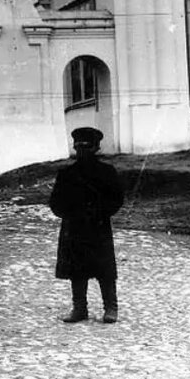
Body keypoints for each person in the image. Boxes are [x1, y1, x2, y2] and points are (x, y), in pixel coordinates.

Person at [49, 126, 124, 324]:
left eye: (87, 147)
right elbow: (55, 202)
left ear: (95, 148)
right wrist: (70, 214)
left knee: (105, 269)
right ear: (75, 148)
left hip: (98, 226)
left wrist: (99, 213)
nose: (83, 151)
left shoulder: (107, 172)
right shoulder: (66, 174)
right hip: (74, 227)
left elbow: (116, 199)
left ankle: (111, 308)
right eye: (79, 147)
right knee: (76, 269)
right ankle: (79, 308)